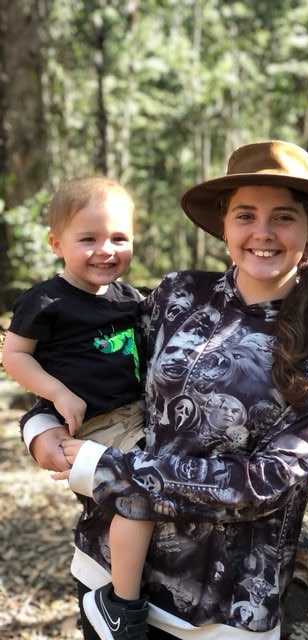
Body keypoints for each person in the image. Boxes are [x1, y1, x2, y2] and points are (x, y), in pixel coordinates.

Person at [40, 140, 308, 640]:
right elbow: (97, 366)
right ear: (224, 225)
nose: (263, 233)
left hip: (222, 610)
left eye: (282, 217)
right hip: (109, 579)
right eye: (246, 215)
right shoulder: (180, 294)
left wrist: (104, 467)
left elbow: (266, 481)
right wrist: (39, 427)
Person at [2, 176, 154, 639]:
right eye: (88, 239)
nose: (105, 250)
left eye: (118, 238)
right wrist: (56, 395)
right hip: (95, 425)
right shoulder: (47, 301)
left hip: (137, 414)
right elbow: (13, 354)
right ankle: (121, 604)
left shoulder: (130, 299)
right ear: (56, 244)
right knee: (139, 495)